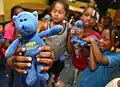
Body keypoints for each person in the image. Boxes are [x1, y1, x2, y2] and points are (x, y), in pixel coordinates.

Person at [39, 1, 69, 87]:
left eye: (60, 12)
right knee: (45, 74)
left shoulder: (67, 27)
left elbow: (67, 41)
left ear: (66, 14)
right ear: (50, 12)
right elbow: (38, 37)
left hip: (58, 58)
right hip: (46, 57)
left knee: (58, 70)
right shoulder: (46, 26)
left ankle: (55, 79)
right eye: (54, 11)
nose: (56, 14)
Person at [67, 5, 100, 85]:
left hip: (85, 70)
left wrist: (82, 38)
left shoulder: (95, 36)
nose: (88, 18)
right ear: (81, 16)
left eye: (92, 17)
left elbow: (87, 54)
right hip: (73, 66)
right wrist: (70, 37)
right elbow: (70, 50)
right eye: (86, 15)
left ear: (96, 21)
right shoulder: (75, 30)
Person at [3, 5, 24, 87]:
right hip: (12, 58)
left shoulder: (26, 27)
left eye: (21, 15)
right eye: (16, 15)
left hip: (22, 57)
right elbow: (5, 44)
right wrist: (14, 47)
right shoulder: (10, 28)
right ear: (12, 18)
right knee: (13, 75)